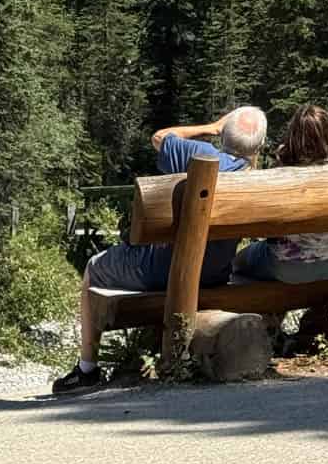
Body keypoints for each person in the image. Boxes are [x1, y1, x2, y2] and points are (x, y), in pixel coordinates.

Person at [52, 105, 268, 396]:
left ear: (224, 135)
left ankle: (87, 370)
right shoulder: (258, 179)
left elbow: (160, 137)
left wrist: (211, 127)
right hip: (214, 273)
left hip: (163, 270)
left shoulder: (199, 156)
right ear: (261, 145)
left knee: (93, 266)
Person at [233, 104, 328, 284]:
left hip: (287, 267)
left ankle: (265, 308)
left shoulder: (283, 168)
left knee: (237, 262)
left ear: (293, 134)